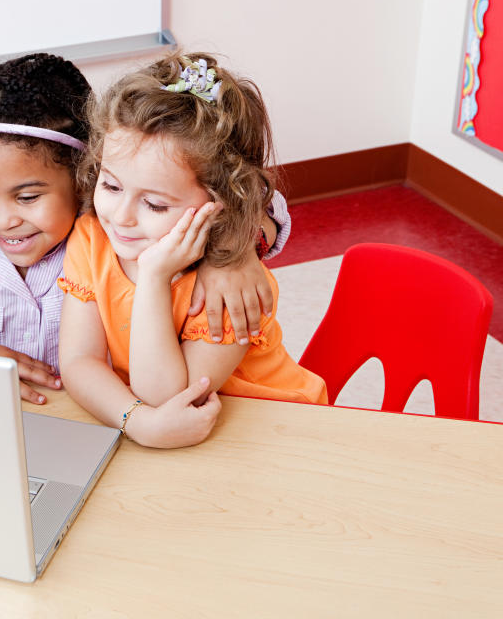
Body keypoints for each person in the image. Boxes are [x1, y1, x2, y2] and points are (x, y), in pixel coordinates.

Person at [0, 53, 291, 404]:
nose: (4, 219)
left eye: (27, 198)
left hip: (98, 415)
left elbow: (252, 198)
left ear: (83, 174)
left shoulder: (103, 225)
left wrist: (237, 251)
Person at [58, 52, 327, 449]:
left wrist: (153, 278)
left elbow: (166, 396)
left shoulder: (232, 288)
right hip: (187, 440)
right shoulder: (92, 237)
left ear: (220, 202)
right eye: (111, 186)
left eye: (155, 205)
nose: (122, 217)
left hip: (278, 429)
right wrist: (137, 423)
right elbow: (79, 362)